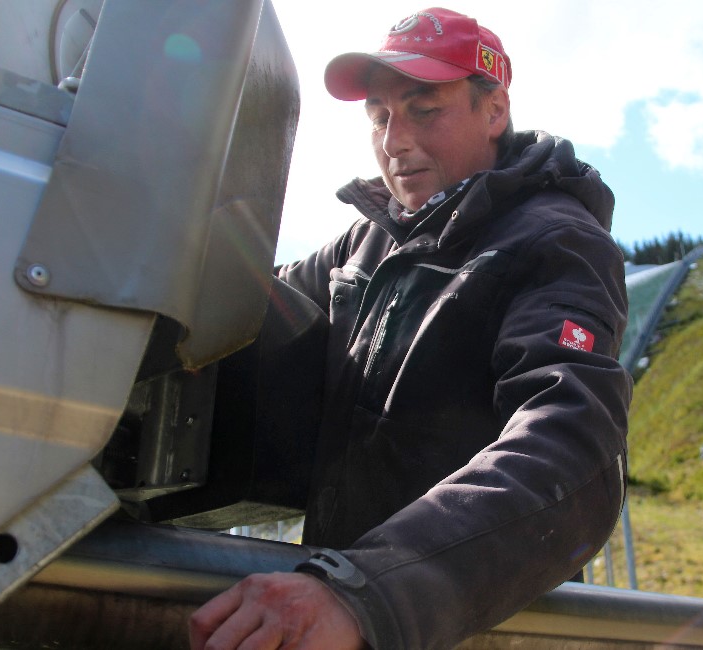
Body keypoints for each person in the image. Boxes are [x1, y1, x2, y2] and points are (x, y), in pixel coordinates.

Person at [189, 7, 631, 649]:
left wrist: (368, 591)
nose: (395, 140)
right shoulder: (368, 242)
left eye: (424, 110)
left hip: (453, 622)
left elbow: (569, 439)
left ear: (495, 110)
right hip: (338, 607)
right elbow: (254, 305)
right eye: (379, 117)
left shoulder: (554, 243)